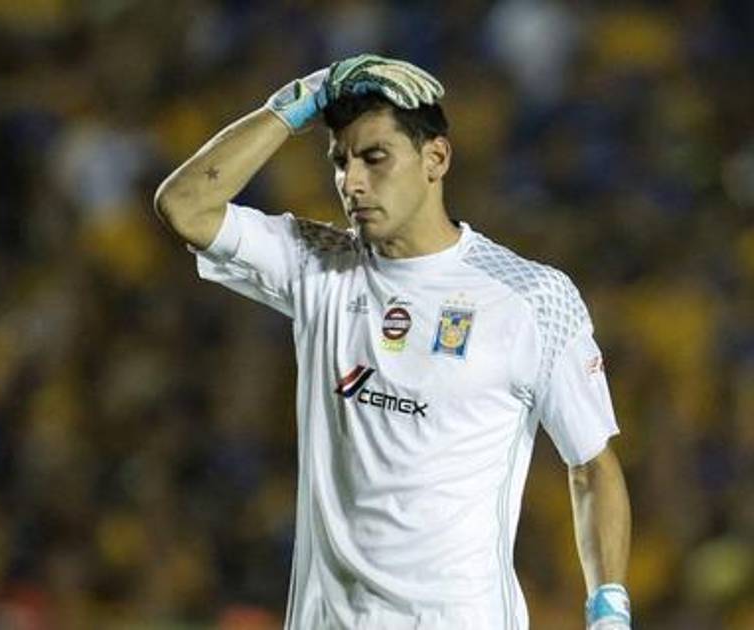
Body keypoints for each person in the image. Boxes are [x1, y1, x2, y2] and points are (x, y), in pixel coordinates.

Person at [153, 54, 632, 629]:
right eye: (341, 161)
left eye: (375, 157)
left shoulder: (531, 297)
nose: (352, 182)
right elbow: (184, 205)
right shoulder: (318, 266)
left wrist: (609, 611)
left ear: (436, 159)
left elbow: (591, 466)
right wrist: (302, 99)